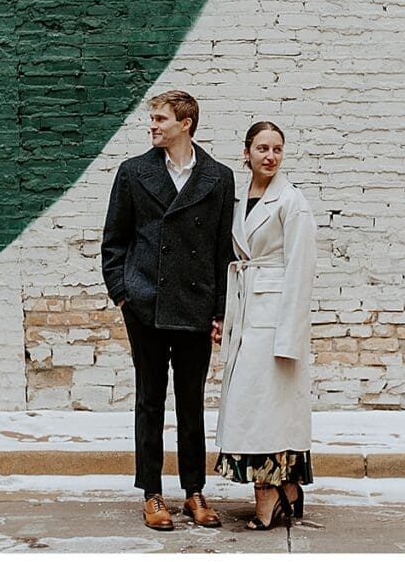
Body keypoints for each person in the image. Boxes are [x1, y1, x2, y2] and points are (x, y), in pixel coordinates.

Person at [101, 90, 236, 531]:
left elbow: (222, 253)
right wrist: (124, 293)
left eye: (161, 119)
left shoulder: (218, 177)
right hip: (146, 306)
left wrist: (220, 310)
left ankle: (195, 491)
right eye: (153, 119)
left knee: (192, 404)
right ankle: (152, 493)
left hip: (195, 306)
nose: (153, 125)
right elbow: (114, 242)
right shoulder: (133, 172)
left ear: (186, 123)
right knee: (149, 401)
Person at [213, 121, 317, 530]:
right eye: (262, 148)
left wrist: (289, 337)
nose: (270, 156)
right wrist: (223, 316)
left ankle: (270, 494)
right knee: (251, 407)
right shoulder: (241, 201)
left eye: (276, 149)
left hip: (274, 320)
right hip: (247, 312)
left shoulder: (292, 202)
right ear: (247, 153)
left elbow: (300, 271)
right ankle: (287, 488)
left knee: (266, 411)